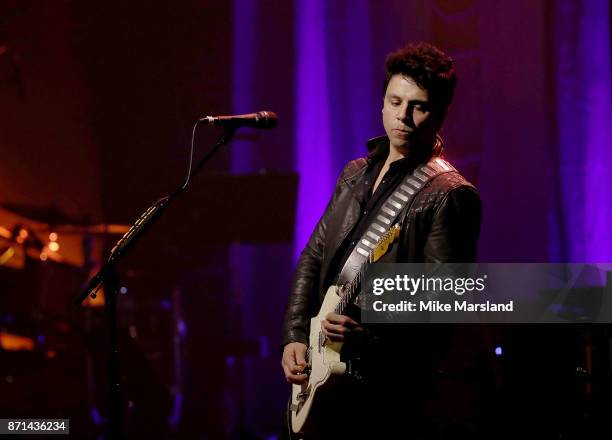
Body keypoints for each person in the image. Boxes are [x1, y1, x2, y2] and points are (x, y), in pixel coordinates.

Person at [281, 43, 486, 438]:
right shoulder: (354, 174)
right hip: (325, 372)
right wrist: (294, 335)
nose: (403, 116)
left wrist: (371, 335)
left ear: (441, 114)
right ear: (382, 103)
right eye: (395, 101)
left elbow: (445, 304)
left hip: (386, 393)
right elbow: (313, 256)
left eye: (419, 106)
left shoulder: (449, 194)